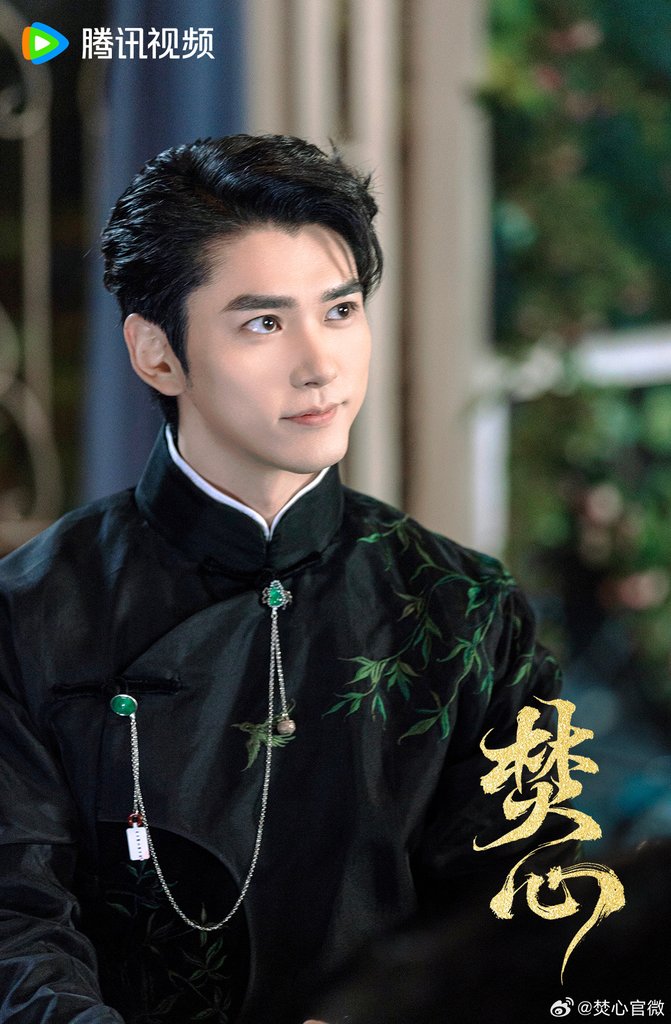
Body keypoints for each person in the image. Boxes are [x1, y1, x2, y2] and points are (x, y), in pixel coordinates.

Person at [0, 135, 568, 1024]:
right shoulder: (31, 613)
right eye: (263, 323)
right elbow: (15, 930)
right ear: (157, 353)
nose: (319, 364)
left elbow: (526, 923)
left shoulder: (465, 611)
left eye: (340, 311)